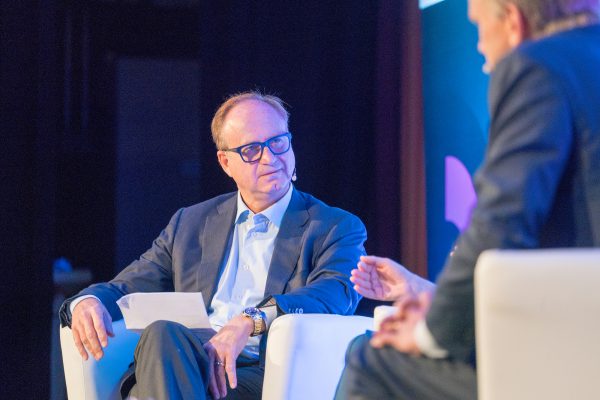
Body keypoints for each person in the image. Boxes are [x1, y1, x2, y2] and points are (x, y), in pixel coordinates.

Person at [335, 0, 600, 398]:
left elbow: (503, 224)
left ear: (513, 19)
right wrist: (428, 295)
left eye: (477, 26)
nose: (478, 47)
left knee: (371, 359)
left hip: (574, 353)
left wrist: (431, 331)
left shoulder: (537, 66)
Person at [59, 91, 367, 399]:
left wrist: (252, 319)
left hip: (262, 372)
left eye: (278, 142)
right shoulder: (190, 223)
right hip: (181, 362)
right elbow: (127, 286)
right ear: (225, 162)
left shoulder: (334, 227)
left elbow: (334, 293)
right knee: (164, 332)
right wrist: (87, 301)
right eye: (251, 150)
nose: (270, 158)